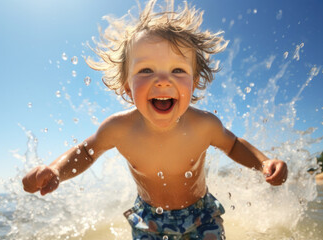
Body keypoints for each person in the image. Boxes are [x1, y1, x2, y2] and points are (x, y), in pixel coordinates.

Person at [22, 0, 288, 239]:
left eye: (178, 70)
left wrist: (264, 162)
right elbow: (86, 153)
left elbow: (233, 145)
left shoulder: (204, 125)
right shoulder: (118, 128)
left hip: (201, 214)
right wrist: (56, 170)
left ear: (194, 83)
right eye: (146, 70)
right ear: (127, 86)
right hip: (148, 219)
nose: (162, 80)